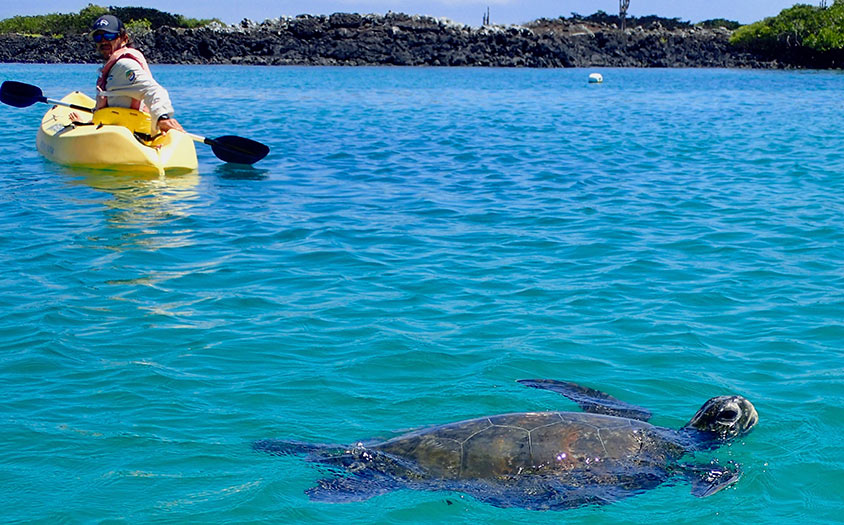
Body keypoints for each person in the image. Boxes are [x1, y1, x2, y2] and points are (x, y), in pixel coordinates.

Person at [70, 15, 184, 134]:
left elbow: (153, 90)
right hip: (117, 129)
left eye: (109, 36)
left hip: (132, 134)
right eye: (98, 37)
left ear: (124, 38)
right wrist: (87, 124)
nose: (103, 41)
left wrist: (162, 118)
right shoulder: (114, 66)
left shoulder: (124, 65)